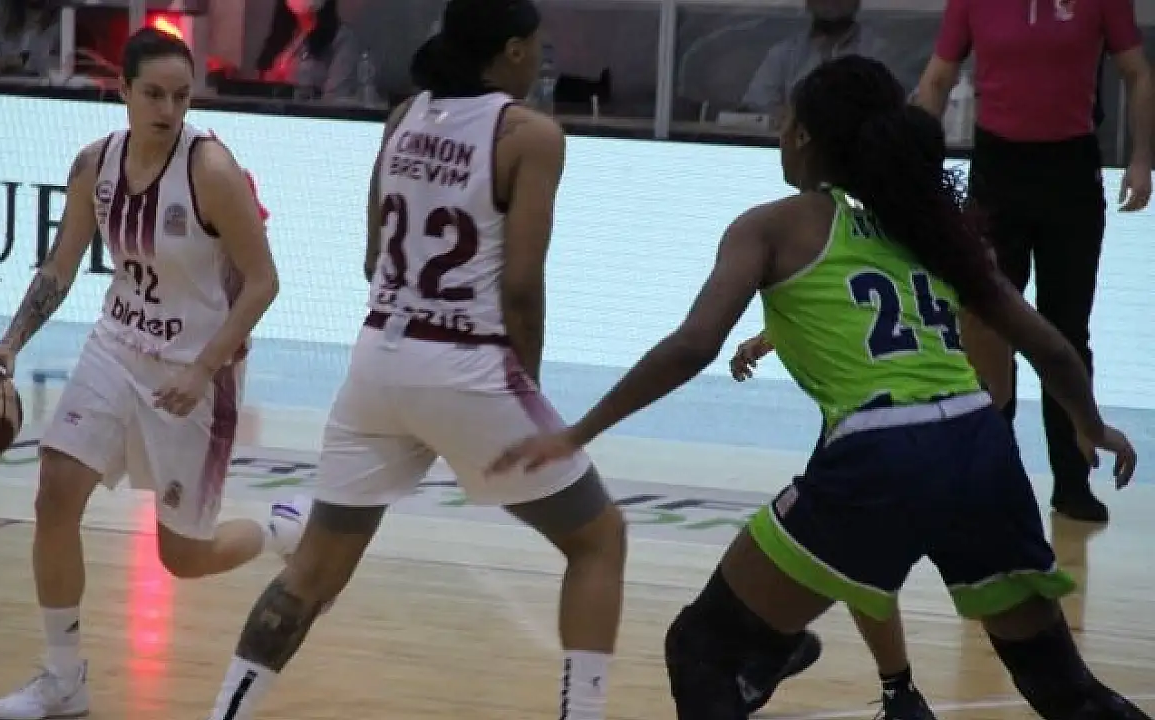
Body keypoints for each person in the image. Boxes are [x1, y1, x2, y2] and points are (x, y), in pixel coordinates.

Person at [491, 55, 1145, 720]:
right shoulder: (930, 230)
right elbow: (1052, 348)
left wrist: (580, 431)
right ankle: (828, 662)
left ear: (803, 135)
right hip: (982, 446)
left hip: (884, 451)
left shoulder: (775, 225)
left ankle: (805, 656)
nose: (780, 134)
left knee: (702, 651)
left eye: (785, 122)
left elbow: (693, 344)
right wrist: (1090, 426)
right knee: (1065, 690)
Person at [200, 2, 630, 719]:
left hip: (378, 359)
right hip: (468, 364)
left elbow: (373, 257)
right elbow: (522, 287)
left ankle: (225, 712)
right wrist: (523, 388)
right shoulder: (531, 136)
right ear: (513, 50)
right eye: (536, 46)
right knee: (599, 540)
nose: (541, 58)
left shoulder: (404, 116)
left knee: (312, 572)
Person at [0, 28, 301, 720]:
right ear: (121, 90)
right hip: (115, 347)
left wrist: (204, 368)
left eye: (181, 96)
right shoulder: (95, 164)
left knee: (185, 558)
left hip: (195, 370)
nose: (168, 109)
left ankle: (281, 528)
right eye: (153, 94)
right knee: (56, 492)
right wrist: (10, 344)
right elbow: (59, 267)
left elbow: (264, 282)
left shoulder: (211, 170)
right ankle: (64, 679)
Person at [914, 0, 1153, 524]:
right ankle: (989, 477)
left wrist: (1141, 160)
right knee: (989, 327)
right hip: (997, 173)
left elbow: (1137, 72)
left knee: (1067, 328)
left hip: (1071, 174)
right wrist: (911, 171)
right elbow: (936, 80)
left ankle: (1071, 482)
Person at [730, 333, 934, 720]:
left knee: (851, 550)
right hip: (866, 420)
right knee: (852, 549)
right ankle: (897, 690)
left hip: (897, 419)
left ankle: (779, 645)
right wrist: (769, 338)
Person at [739, 0, 896, 117]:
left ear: (857, 2)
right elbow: (755, 110)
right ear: (808, 2)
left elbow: (889, 114)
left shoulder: (880, 53)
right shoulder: (784, 53)